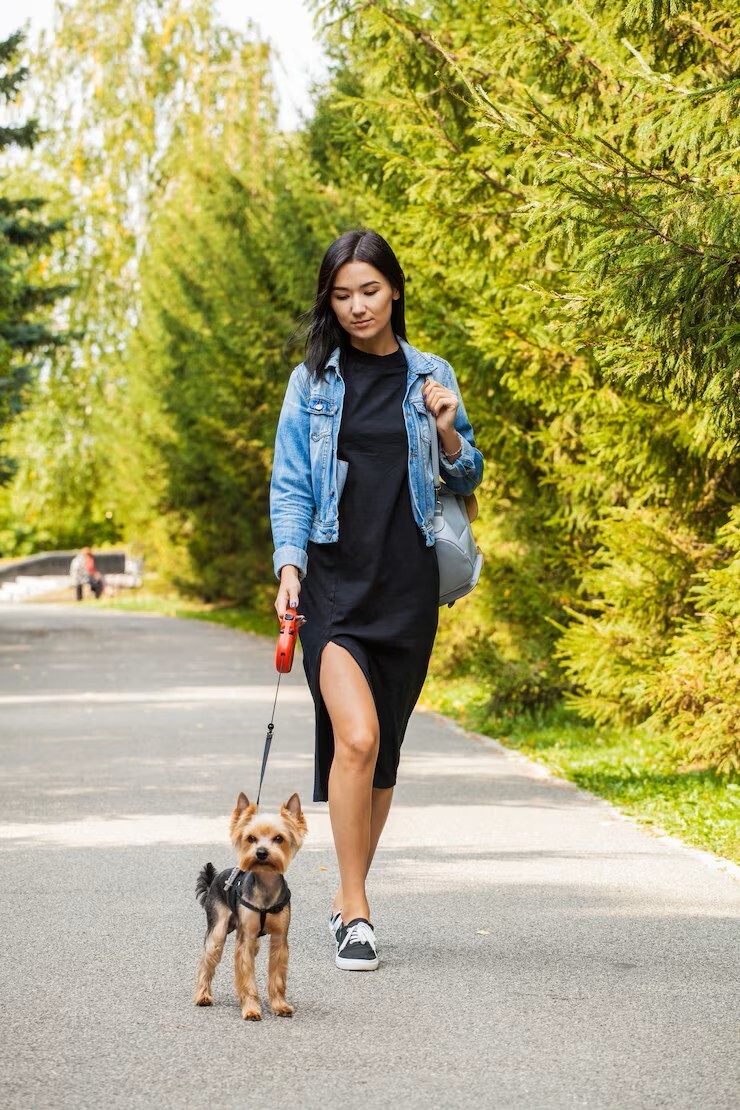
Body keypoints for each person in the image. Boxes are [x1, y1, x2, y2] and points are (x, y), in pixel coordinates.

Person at [269, 229, 484, 971]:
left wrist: (450, 434)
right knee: (354, 737)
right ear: (329, 300)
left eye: (369, 290)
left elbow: (468, 475)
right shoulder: (314, 382)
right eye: (342, 294)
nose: (357, 306)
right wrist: (290, 567)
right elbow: (292, 483)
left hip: (408, 585)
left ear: (394, 289)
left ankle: (344, 900)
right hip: (332, 584)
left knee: (382, 753)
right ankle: (356, 911)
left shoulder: (429, 374)